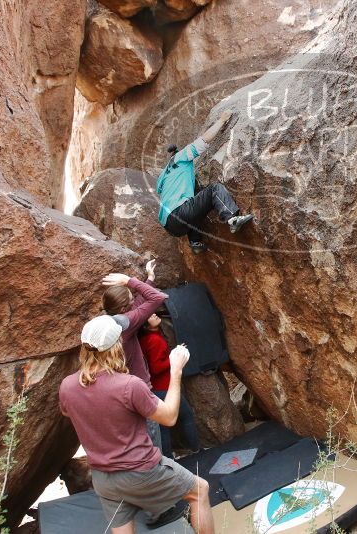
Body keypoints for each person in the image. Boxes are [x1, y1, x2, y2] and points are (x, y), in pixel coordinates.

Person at [59, 315, 214, 534]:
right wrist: (176, 370)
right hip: (139, 470)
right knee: (200, 490)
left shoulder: (67, 386)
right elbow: (169, 417)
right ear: (116, 346)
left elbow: (68, 411)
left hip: (103, 477)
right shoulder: (130, 385)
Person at [156, 110, 253, 254]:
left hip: (170, 226)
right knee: (213, 189)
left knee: (196, 201)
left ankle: (195, 242)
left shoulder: (163, 176)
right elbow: (204, 140)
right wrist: (221, 120)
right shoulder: (181, 157)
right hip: (180, 212)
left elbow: (162, 192)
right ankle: (232, 218)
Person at [101, 259, 166, 451]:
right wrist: (129, 280)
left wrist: (150, 278)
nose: (134, 299)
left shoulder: (107, 322)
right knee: (152, 437)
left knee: (135, 438)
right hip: (138, 388)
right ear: (124, 310)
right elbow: (156, 298)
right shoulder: (126, 325)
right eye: (130, 298)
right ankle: (159, 471)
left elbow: (139, 304)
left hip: (116, 391)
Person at [140, 313, 201, 458]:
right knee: (187, 417)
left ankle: (168, 459)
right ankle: (197, 450)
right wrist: (175, 357)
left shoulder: (144, 339)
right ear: (145, 325)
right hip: (165, 388)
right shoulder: (154, 340)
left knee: (163, 428)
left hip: (155, 388)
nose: (154, 314)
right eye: (149, 316)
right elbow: (156, 367)